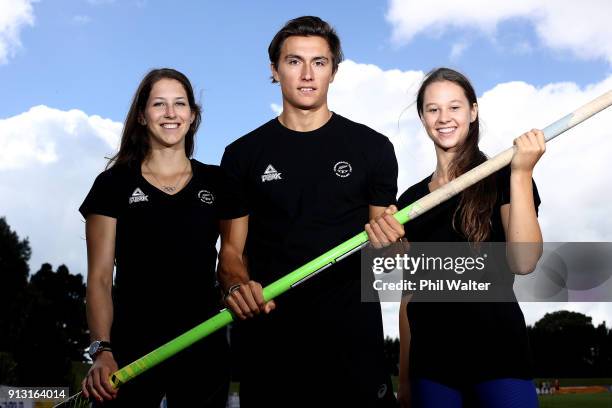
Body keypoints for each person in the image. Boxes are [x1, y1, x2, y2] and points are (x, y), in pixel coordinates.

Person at [217, 16, 401, 407]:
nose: (306, 74)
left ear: (334, 71)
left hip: (353, 342)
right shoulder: (241, 155)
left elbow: (389, 259)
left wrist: (391, 244)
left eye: (319, 62)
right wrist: (236, 286)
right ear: (274, 70)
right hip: (272, 343)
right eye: (293, 61)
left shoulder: (373, 148)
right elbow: (231, 255)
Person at [367, 67, 544, 407]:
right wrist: (405, 377)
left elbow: (523, 261)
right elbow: (410, 297)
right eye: (433, 109)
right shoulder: (410, 203)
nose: (443, 117)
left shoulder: (505, 175)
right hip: (433, 370)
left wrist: (521, 173)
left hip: (499, 357)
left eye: (454, 107)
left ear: (473, 111)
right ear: (422, 117)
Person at [79, 68, 229, 407]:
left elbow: (235, 259)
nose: (171, 113)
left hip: (202, 343)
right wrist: (102, 350)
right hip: (132, 349)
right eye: (159, 104)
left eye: (180, 104)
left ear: (192, 115)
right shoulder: (112, 185)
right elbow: (100, 279)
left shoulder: (218, 182)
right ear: (143, 116)